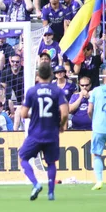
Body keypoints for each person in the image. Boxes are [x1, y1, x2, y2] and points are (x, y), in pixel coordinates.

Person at [19, 63, 69, 201]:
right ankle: (51, 193)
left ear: (38, 75)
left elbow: (23, 114)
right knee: (51, 162)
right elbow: (65, 112)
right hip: (52, 132)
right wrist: (62, 124)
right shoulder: (57, 91)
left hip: (35, 133)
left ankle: (35, 184)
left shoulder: (32, 91)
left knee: (23, 158)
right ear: (51, 75)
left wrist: (34, 115)